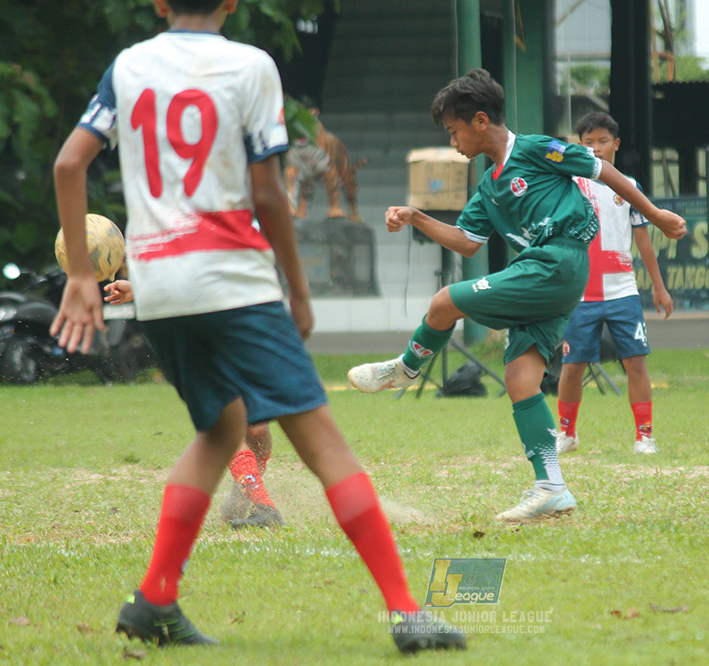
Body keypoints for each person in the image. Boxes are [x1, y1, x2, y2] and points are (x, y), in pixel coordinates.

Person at [51, 0, 464, 653]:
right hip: (231, 279)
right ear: (232, 3)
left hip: (159, 286)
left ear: (159, 3)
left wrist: (81, 273)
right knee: (323, 440)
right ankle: (407, 611)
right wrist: (297, 290)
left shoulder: (128, 66)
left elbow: (69, 164)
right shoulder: (249, 64)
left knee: (219, 429)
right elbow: (268, 192)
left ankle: (156, 600)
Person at [346, 69, 686, 522]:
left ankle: (405, 369)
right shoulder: (489, 187)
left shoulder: (535, 148)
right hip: (547, 276)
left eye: (454, 131)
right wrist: (416, 217)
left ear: (480, 121)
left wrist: (656, 214)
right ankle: (552, 488)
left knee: (445, 301)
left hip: (557, 261)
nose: (453, 143)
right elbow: (468, 241)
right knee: (520, 380)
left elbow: (602, 169)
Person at [105, 280, 283, 528]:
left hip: (244, 333)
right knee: (227, 426)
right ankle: (265, 507)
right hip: (202, 340)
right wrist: (142, 287)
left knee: (257, 430)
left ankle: (244, 491)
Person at [554, 112, 673, 457]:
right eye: (588, 142)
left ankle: (644, 436)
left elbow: (644, 242)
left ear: (616, 144)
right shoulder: (572, 184)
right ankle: (567, 433)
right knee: (573, 365)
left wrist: (659, 288)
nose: (596, 149)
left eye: (602, 141)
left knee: (635, 362)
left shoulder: (630, 187)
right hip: (580, 292)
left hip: (622, 291)